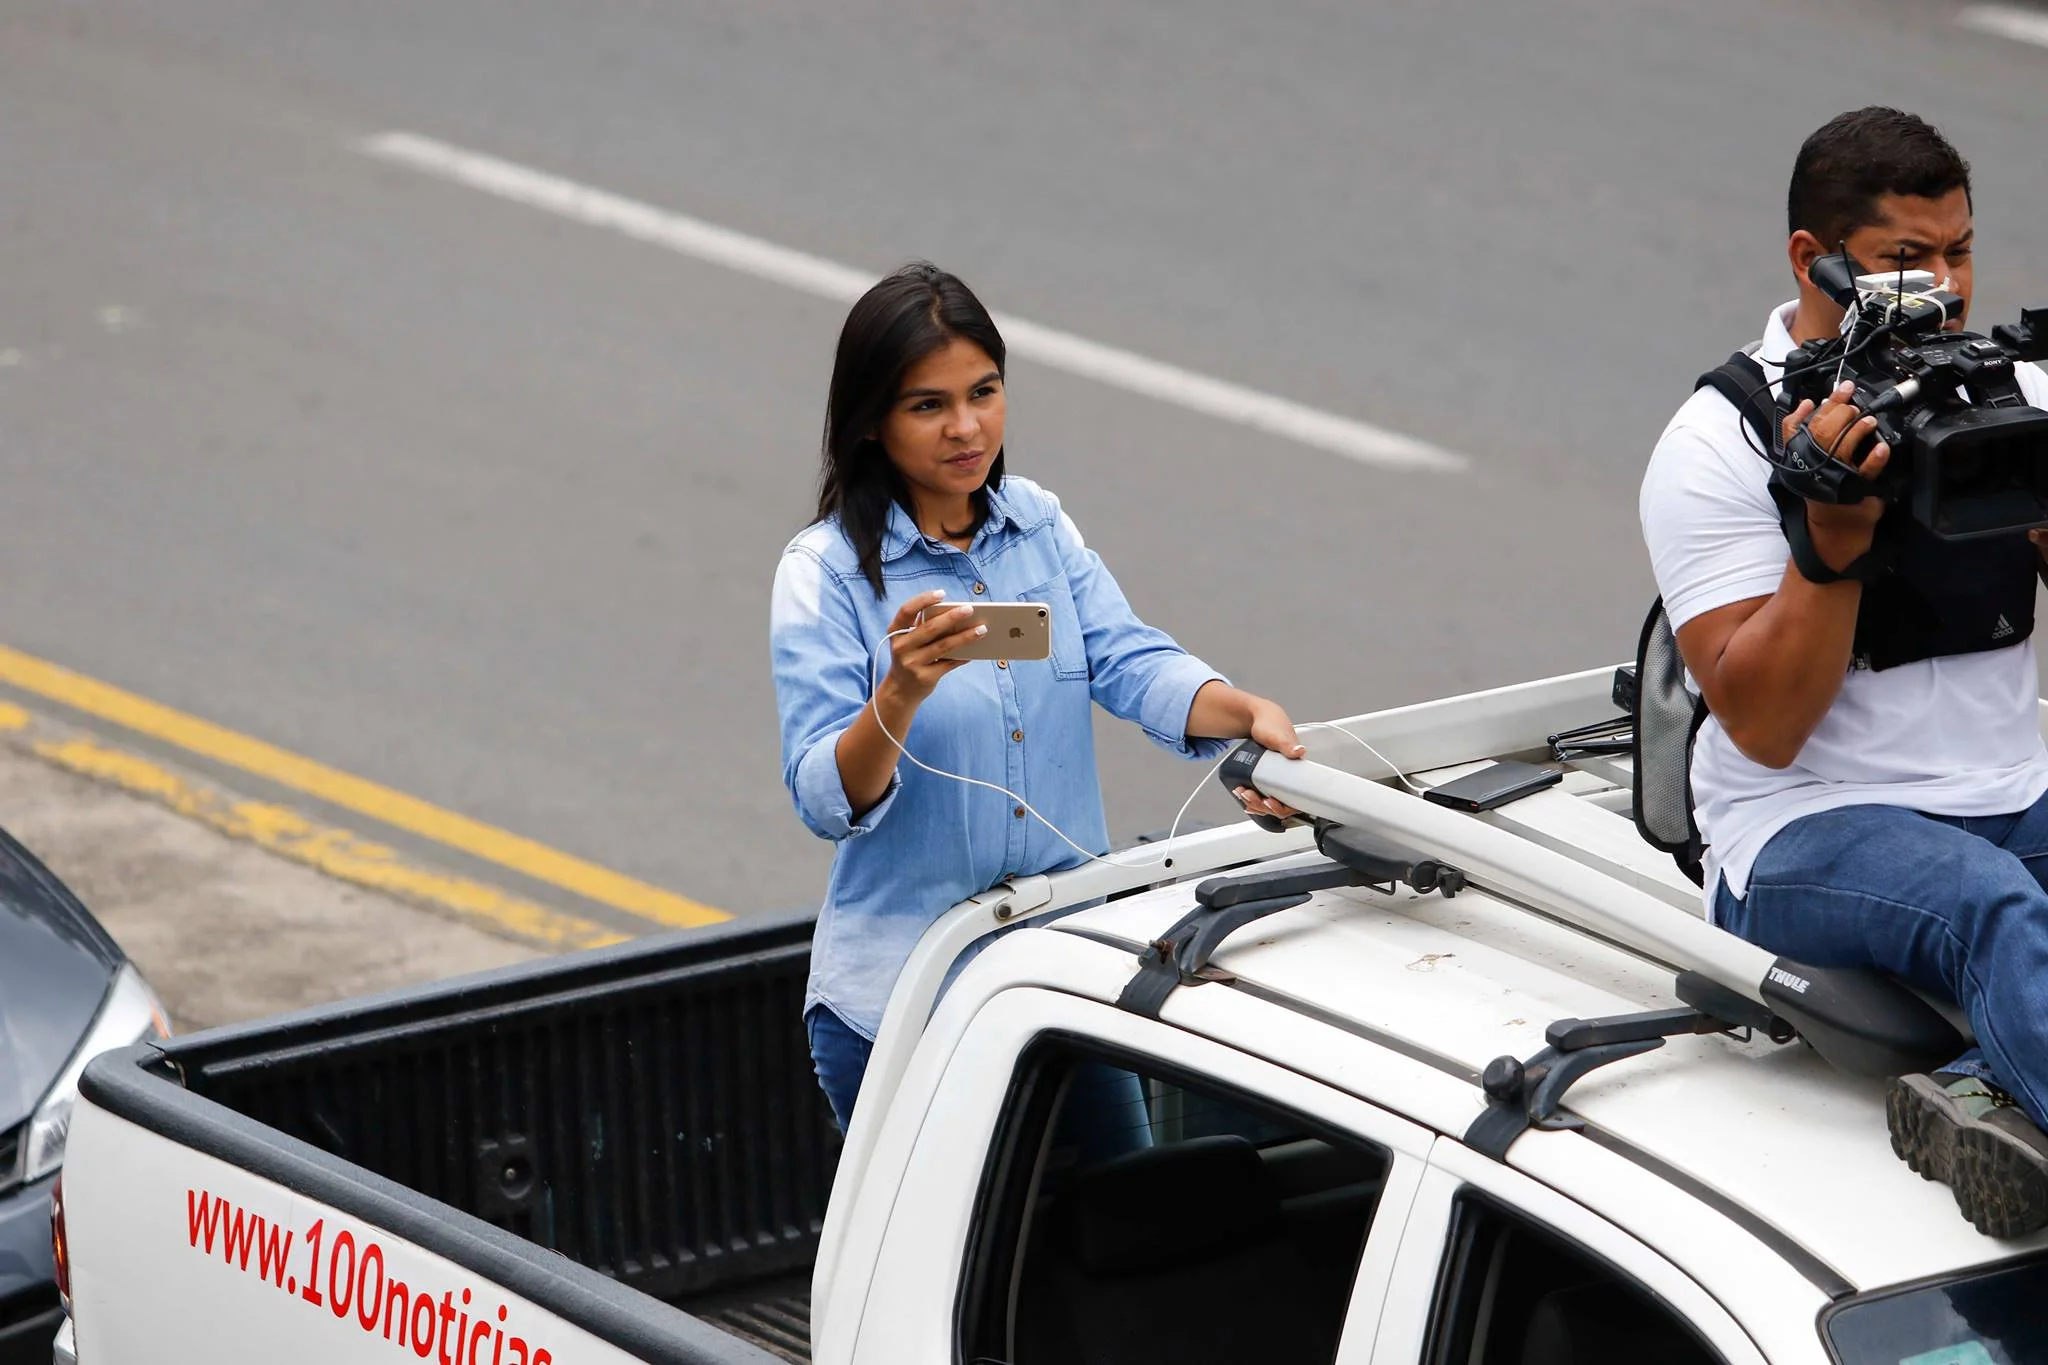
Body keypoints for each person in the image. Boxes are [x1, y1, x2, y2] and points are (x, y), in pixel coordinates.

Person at [771, 262, 1306, 1131]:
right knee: (952, 1262)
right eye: (928, 405)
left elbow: (1126, 658)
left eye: (984, 391)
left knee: (1124, 1223)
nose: (966, 427)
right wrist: (899, 694)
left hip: (1052, 981)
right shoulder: (824, 574)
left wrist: (1239, 711)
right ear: (871, 422)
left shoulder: (1038, 524)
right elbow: (824, 799)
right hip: (903, 1002)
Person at [1640, 107, 2048, 1235]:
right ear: (1809, 258)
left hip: (2006, 796)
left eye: (1958, 251)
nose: (1944, 288)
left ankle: (1993, 1090)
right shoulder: (1719, 441)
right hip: (1801, 826)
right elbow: (1762, 726)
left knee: (1994, 884)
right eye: (1903, 263)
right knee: (1987, 909)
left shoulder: (2010, 394)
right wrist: (1823, 545)